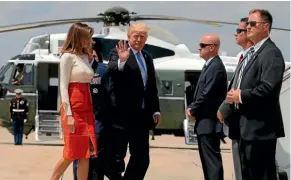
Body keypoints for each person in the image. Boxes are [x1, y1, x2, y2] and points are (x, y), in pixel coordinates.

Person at [226, 9, 285, 180]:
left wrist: (241, 95)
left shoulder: (271, 53)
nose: (248, 27)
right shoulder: (254, 53)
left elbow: (268, 88)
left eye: (252, 24)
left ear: (265, 27)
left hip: (260, 130)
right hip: (247, 129)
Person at [106, 22, 161, 180]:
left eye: (142, 36)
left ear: (146, 38)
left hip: (142, 117)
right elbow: (111, 72)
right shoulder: (117, 52)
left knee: (142, 158)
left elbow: (151, 86)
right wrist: (122, 61)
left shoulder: (147, 57)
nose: (138, 39)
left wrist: (155, 109)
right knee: (117, 158)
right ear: (128, 37)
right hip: (121, 116)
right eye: (135, 36)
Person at [50, 22, 97, 180]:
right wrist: (68, 114)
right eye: (85, 38)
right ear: (77, 37)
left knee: (86, 153)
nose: (88, 41)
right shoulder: (67, 56)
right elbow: (63, 87)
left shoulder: (84, 56)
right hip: (73, 108)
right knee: (71, 152)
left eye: (89, 38)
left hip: (87, 108)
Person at [186, 34, 227, 180]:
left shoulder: (215, 67)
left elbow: (207, 93)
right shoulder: (210, 65)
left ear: (212, 47)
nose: (199, 48)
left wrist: (192, 109)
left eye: (202, 45)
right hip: (204, 123)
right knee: (208, 164)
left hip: (209, 122)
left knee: (212, 164)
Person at [217, 17, 253, 180]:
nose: (235, 34)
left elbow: (240, 89)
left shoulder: (252, 58)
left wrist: (224, 108)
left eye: (239, 31)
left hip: (248, 125)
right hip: (238, 125)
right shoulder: (243, 57)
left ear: (249, 32)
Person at [73, 47, 112, 180]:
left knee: (95, 155)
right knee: (78, 155)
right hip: (79, 119)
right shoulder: (75, 69)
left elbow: (110, 95)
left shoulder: (102, 70)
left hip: (97, 120)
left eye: (92, 53)